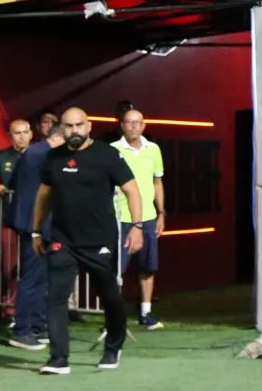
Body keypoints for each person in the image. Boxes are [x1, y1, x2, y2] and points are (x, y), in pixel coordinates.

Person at [32, 107, 145, 374]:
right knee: (56, 297)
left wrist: (137, 226)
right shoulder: (54, 157)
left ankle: (113, 347)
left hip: (100, 240)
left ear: (89, 126)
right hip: (62, 240)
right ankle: (58, 359)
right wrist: (36, 231)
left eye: (79, 125)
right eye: (68, 126)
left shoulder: (107, 155)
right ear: (61, 128)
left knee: (109, 296)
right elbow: (43, 195)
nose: (74, 131)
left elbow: (132, 190)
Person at [6, 122, 65, 350]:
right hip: (37, 225)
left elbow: (13, 182)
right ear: (58, 137)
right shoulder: (44, 154)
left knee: (42, 278)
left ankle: (38, 327)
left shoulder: (33, 153)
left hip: (39, 224)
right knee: (33, 278)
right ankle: (21, 330)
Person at [111, 108, 166, 330]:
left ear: (143, 125)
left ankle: (145, 313)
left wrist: (161, 212)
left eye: (138, 122)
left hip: (149, 218)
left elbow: (157, 182)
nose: (134, 126)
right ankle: (113, 318)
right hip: (121, 218)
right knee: (117, 271)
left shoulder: (153, 149)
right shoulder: (113, 150)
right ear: (122, 125)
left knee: (148, 267)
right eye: (129, 122)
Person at [0, 119, 33, 199]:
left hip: (35, 205)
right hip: (10, 204)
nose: (22, 137)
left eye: (25, 132)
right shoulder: (1, 155)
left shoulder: (41, 154)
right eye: (17, 133)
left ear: (31, 134)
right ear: (10, 135)